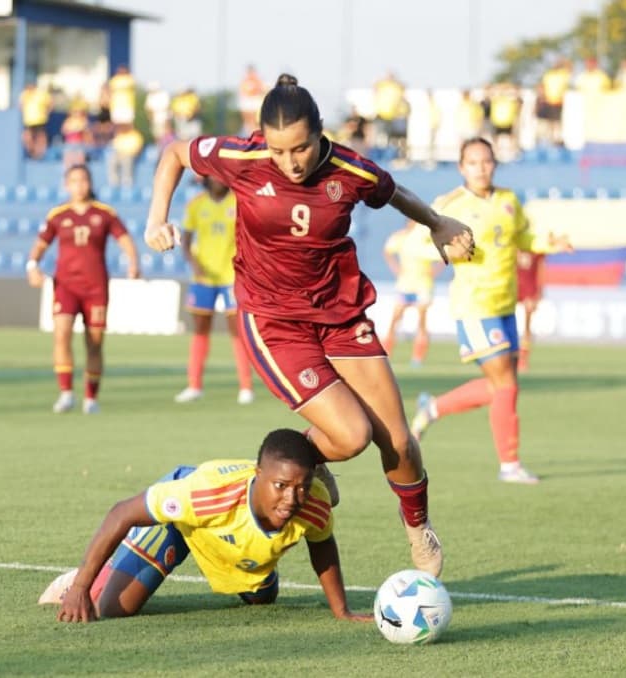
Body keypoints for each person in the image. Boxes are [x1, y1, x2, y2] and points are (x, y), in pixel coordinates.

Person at [143, 74, 476, 576]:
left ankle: (417, 528)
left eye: (300, 148)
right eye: (278, 151)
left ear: (320, 134)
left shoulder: (349, 169)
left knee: (399, 441)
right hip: (275, 322)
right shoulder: (242, 158)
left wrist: (437, 222)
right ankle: (297, 465)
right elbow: (174, 153)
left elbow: (394, 191)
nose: (290, 162)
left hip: (340, 314)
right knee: (351, 436)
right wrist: (156, 219)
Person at [43, 429, 370, 623]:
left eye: (302, 486)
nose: (292, 498)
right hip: (183, 519)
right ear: (259, 475)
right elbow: (121, 513)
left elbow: (323, 546)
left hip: (231, 536)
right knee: (114, 608)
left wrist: (341, 610)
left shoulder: (314, 502)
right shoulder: (204, 494)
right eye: (281, 485)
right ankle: (91, 576)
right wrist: (81, 588)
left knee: (263, 599)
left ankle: (256, 564)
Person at [410, 138, 572, 485]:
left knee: (501, 386)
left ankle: (432, 408)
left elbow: (523, 238)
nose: (481, 168)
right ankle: (509, 465)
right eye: (473, 162)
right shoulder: (449, 205)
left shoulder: (508, 200)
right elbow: (417, 244)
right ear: (461, 167)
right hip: (475, 306)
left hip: (505, 304)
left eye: (486, 161)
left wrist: (548, 244)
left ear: (495, 164)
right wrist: (448, 252)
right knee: (506, 384)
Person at [26, 165, 140, 414]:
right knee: (61, 334)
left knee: (95, 343)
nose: (79, 185)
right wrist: (32, 266)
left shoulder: (105, 213)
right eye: (74, 181)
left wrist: (133, 263)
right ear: (67, 185)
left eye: (83, 180)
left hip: (95, 287)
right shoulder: (58, 215)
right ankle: (66, 393)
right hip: (65, 286)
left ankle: (91, 397)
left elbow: (124, 238)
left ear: (90, 183)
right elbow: (40, 245)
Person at [175, 175, 256, 405]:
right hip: (204, 277)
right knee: (200, 329)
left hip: (232, 276)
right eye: (213, 176)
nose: (218, 180)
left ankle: (246, 387)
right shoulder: (196, 204)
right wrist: (194, 263)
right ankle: (194, 385)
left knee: (237, 331)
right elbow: (186, 240)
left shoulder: (238, 202)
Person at [381, 220, 439, 368]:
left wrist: (435, 271)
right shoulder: (401, 237)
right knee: (395, 319)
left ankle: (417, 358)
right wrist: (395, 268)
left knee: (421, 321)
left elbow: (444, 253)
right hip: (405, 284)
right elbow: (387, 251)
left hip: (423, 284)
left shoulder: (426, 237)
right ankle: (386, 354)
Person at [515, 249, 545, 374]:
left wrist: (538, 292)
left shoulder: (536, 248)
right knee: (507, 321)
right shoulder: (512, 244)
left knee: (527, 326)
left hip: (529, 288)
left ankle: (523, 358)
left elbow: (540, 269)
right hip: (511, 286)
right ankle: (509, 356)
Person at [19, 82, 52, 160]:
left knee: (40, 137)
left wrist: (46, 112)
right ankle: (32, 153)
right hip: (28, 121)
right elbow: (21, 105)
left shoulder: (42, 94)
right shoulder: (24, 94)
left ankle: (39, 154)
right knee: (28, 137)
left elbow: (50, 104)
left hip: (40, 120)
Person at [107, 124, 145, 189]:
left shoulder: (135, 135)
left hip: (131, 155)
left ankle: (127, 183)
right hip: (120, 154)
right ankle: (114, 183)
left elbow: (138, 149)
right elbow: (114, 146)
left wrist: (131, 153)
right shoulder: (120, 135)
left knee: (127, 160)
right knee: (112, 159)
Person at [60, 102, 94, 170]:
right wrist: (73, 129)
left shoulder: (84, 121)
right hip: (69, 143)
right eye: (75, 111)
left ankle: (81, 170)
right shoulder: (68, 121)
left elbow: (87, 133)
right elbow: (64, 130)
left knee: (80, 160)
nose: (77, 113)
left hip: (80, 144)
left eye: (79, 112)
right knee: (68, 160)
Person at [238, 65, 266, 135]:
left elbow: (261, 89)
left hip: (255, 101)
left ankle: (255, 130)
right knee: (248, 120)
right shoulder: (245, 80)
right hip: (248, 101)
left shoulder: (257, 80)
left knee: (255, 120)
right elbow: (242, 91)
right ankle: (248, 130)